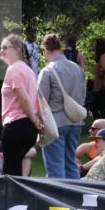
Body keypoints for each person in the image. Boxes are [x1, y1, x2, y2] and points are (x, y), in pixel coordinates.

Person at [38, 34, 86, 179]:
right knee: (70, 164)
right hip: (75, 121)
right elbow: (82, 97)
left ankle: (58, 201)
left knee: (55, 167)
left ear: (47, 50)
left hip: (55, 123)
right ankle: (74, 200)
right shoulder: (78, 69)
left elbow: (40, 100)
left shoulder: (47, 71)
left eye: (43, 52)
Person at [0, 34, 43, 176]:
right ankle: (22, 197)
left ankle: (14, 198)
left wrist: (36, 120)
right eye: (0, 48)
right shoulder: (28, 70)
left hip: (16, 125)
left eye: (5, 47)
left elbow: (23, 98)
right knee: (19, 170)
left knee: (10, 173)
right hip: (28, 127)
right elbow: (35, 98)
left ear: (17, 49)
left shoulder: (13, 69)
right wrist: (36, 121)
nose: (1, 51)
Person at [87, 38, 105, 120]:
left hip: (103, 88)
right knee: (96, 107)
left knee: (94, 105)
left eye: (95, 45)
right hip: (99, 88)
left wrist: (99, 73)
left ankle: (101, 122)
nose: (94, 47)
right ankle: (101, 122)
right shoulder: (102, 56)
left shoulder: (104, 56)